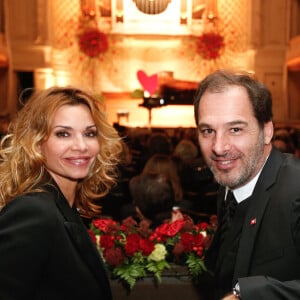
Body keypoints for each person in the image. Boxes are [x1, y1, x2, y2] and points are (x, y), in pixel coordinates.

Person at [0, 86, 123, 300]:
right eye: (63, 134)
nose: (81, 145)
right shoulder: (33, 212)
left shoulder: (62, 208)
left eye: (89, 133)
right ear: (36, 144)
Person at [193, 69, 300, 299]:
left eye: (235, 129)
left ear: (267, 131)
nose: (218, 147)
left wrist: (246, 295)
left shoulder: (296, 190)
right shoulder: (233, 177)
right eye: (208, 131)